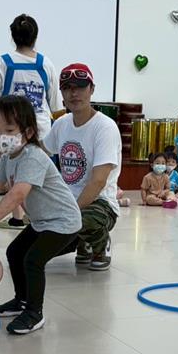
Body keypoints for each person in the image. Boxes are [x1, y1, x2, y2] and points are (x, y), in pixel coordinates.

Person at [0, 96, 81, 335]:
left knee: (33, 260)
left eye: (9, 130)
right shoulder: (8, 157)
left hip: (63, 222)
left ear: (29, 132)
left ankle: (34, 313)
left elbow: (18, 194)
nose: (2, 136)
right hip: (43, 221)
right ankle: (21, 301)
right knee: (15, 252)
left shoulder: (33, 156)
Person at [44, 63, 120, 271]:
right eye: (67, 88)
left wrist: (69, 214)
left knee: (83, 221)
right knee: (31, 244)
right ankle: (82, 242)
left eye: (80, 87)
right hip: (66, 200)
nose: (74, 93)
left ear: (92, 89)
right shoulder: (61, 124)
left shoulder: (105, 127)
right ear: (61, 93)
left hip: (100, 204)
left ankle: (99, 244)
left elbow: (98, 181)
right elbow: (41, 151)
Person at [0, 14, 59, 229]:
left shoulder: (3, 62)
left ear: (12, 36)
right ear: (35, 37)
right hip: (42, 129)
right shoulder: (46, 63)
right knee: (39, 175)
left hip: (12, 131)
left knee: (14, 173)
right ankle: (39, 217)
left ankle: (17, 217)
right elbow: (55, 103)